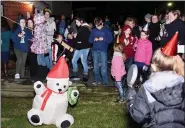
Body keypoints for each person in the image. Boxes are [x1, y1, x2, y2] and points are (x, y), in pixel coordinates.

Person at [126, 32, 185, 128]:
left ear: (155, 64)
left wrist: (131, 97)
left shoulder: (148, 87)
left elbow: (139, 115)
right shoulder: (183, 84)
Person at [89, 17, 113, 86]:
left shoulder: (106, 30)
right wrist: (94, 39)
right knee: (95, 67)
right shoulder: (94, 30)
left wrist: (104, 39)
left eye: (99, 26)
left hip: (103, 51)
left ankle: (105, 81)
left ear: (102, 23)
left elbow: (111, 40)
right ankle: (97, 80)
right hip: (95, 50)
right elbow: (90, 40)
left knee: (103, 67)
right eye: (96, 26)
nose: (98, 27)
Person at [70, 18, 92, 82]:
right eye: (76, 22)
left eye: (77, 22)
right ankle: (75, 74)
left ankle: (85, 74)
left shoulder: (84, 28)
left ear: (81, 21)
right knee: (74, 60)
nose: (76, 24)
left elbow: (83, 39)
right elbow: (79, 39)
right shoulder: (82, 28)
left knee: (83, 61)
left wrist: (76, 37)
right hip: (79, 47)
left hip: (84, 48)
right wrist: (76, 37)